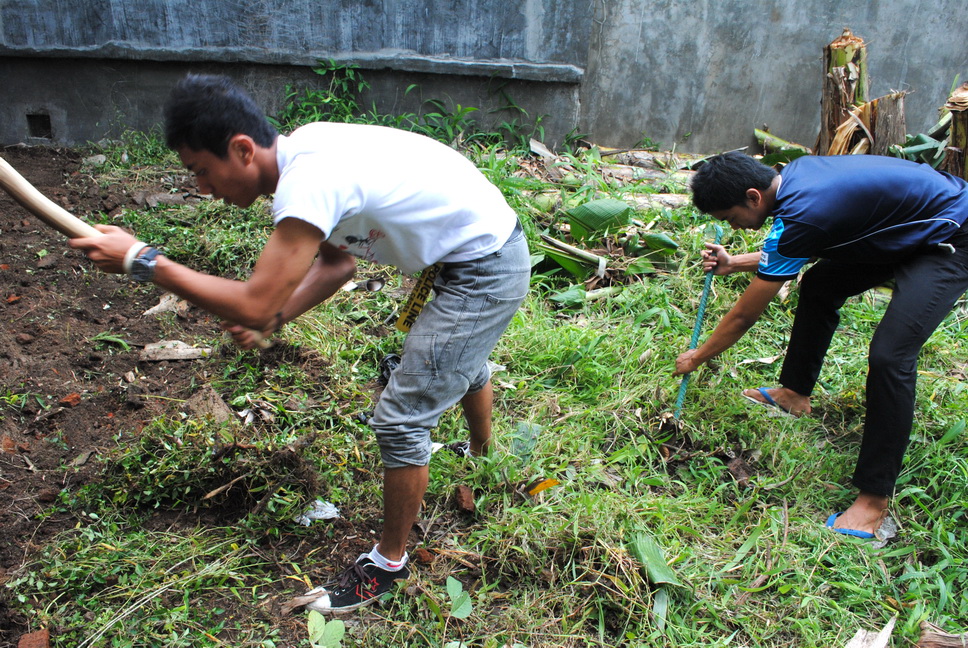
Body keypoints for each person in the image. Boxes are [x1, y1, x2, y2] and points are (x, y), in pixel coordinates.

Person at [70, 74, 530, 612]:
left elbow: (253, 302)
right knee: (455, 357)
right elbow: (338, 264)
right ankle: (479, 455)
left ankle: (386, 564)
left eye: (201, 170)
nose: (202, 188)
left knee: (403, 417)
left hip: (482, 267)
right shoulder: (304, 154)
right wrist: (278, 317)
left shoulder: (308, 179)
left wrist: (142, 261)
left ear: (242, 149)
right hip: (471, 249)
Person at [674, 151, 968, 538]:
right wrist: (734, 263)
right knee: (820, 284)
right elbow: (805, 242)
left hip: (951, 236)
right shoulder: (796, 180)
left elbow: (745, 315)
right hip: (905, 227)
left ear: (752, 196)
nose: (736, 227)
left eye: (731, 218)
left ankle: (874, 501)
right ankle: (794, 393)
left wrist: (698, 356)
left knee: (890, 356)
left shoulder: (805, 213)